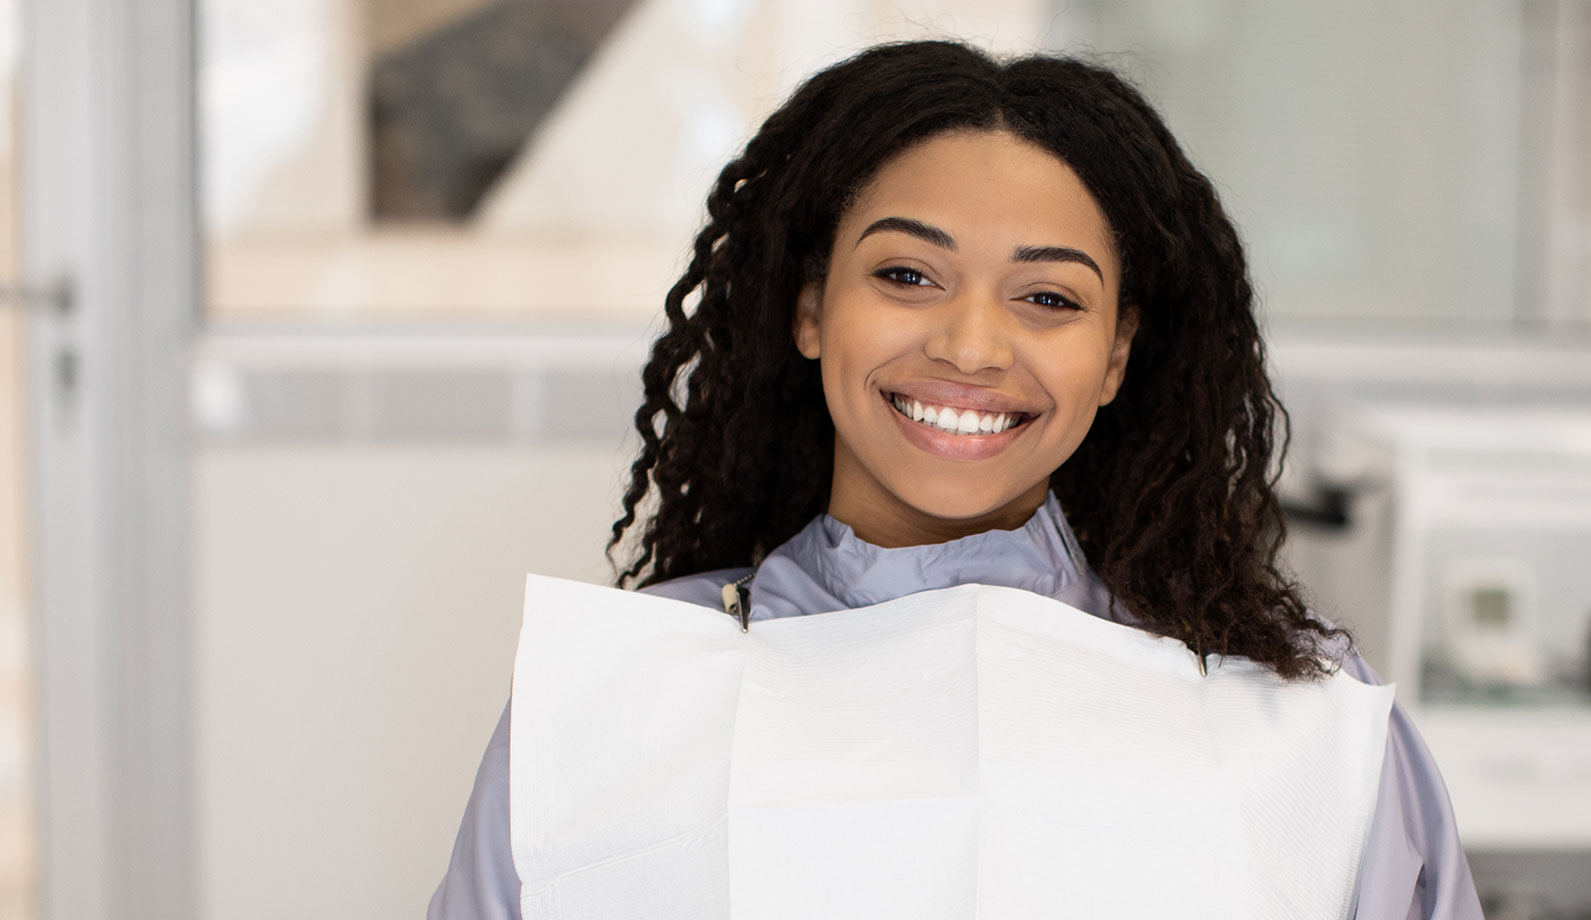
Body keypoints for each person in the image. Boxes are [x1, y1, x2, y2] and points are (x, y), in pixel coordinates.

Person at [428, 40, 1481, 919]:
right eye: (906, 275)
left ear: (1117, 354)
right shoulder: (610, 704)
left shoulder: (1303, 724)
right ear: (809, 309)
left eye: (1049, 297)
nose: (972, 345)